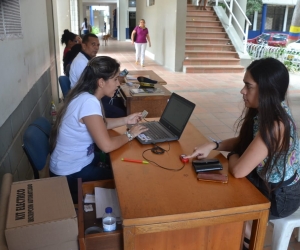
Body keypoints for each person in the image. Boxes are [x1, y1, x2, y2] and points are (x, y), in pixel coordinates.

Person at [184, 58, 300, 249]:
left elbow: (238, 170)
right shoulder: (265, 111)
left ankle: (248, 238)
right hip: (267, 181)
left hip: (281, 196)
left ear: (267, 89)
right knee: (219, 189)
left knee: (228, 203)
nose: (242, 91)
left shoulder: (276, 125)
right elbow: (247, 142)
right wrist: (213, 145)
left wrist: (231, 155)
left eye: (248, 86)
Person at [49, 56, 148, 203]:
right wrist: (129, 134)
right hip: (70, 174)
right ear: (101, 82)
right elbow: (106, 146)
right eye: (115, 79)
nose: (118, 83)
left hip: (75, 163)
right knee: (125, 177)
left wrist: (126, 120)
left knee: (120, 164)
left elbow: (99, 125)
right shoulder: (89, 102)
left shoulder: (84, 95)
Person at [69, 33, 126, 118]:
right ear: (84, 46)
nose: (96, 48)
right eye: (93, 44)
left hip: (92, 95)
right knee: (121, 112)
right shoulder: (81, 62)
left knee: (121, 103)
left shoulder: (87, 60)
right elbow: (92, 86)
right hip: (87, 96)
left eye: (98, 45)